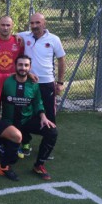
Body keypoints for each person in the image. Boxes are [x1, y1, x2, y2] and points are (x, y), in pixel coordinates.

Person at [1, 55, 58, 180]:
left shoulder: (33, 84)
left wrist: (43, 116)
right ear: (15, 66)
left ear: (30, 67)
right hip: (8, 123)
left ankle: (39, 165)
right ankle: (4, 146)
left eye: (26, 65)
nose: (23, 68)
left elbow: (38, 103)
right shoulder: (6, 81)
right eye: (20, 65)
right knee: (11, 157)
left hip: (26, 121)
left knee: (52, 131)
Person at [18, 12, 65, 156]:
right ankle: (25, 143)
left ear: (44, 24)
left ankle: (47, 148)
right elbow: (6, 32)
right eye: (32, 23)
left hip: (47, 84)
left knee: (49, 116)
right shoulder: (24, 36)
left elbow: (61, 60)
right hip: (28, 83)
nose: (34, 26)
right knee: (24, 114)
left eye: (37, 23)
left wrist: (60, 82)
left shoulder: (54, 39)